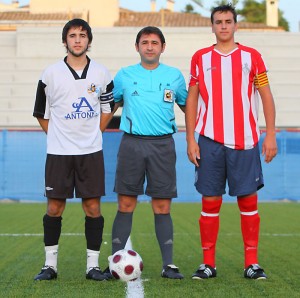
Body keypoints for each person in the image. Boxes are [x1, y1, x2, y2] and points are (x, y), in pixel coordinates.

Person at [185, 4, 277, 280]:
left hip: (245, 140)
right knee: (210, 201)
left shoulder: (252, 57)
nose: (223, 26)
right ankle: (208, 264)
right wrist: (190, 138)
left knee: (248, 201)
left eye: (228, 21)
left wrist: (270, 133)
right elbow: (192, 99)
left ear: (236, 25)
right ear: (212, 27)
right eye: (218, 22)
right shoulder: (200, 58)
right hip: (210, 140)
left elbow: (265, 94)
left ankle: (252, 263)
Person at [32, 18, 114, 281]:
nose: (77, 40)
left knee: (92, 208)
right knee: (54, 208)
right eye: (72, 35)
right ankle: (50, 265)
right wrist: (59, 136)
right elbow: (41, 114)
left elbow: (107, 110)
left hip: (90, 153)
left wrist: (91, 134)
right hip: (58, 153)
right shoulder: (50, 74)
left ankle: (92, 266)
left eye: (82, 35)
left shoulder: (101, 73)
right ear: (65, 40)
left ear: (89, 40)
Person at [106, 26, 187, 279]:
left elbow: (189, 107)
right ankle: (115, 261)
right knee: (126, 203)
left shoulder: (174, 76)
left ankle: (168, 265)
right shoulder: (124, 75)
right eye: (144, 42)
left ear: (163, 47)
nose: (149, 46)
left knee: (162, 205)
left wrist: (196, 137)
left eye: (154, 42)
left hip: (163, 145)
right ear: (137, 47)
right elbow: (109, 105)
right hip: (131, 144)